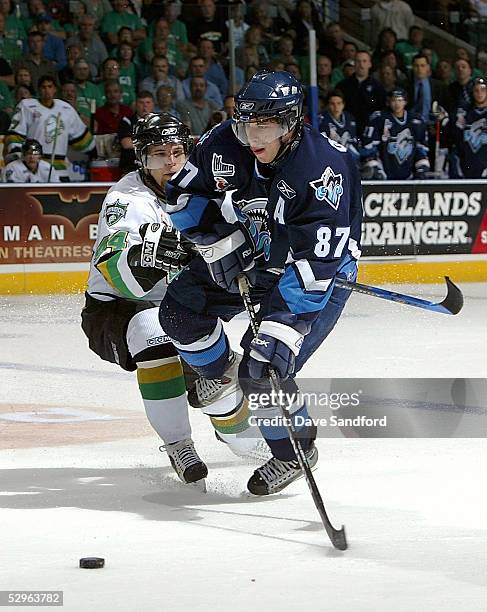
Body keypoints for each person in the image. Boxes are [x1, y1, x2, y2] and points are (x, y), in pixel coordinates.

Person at [159, 71, 363, 495]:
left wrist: (279, 330)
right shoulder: (225, 142)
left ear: (290, 122)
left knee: (265, 369)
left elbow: (315, 266)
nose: (253, 135)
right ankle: (219, 370)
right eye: (247, 123)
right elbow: (181, 194)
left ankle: (294, 451)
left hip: (313, 272)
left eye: (265, 125)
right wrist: (219, 243)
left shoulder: (321, 170)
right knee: (179, 313)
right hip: (253, 250)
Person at [81, 112, 266, 485]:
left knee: (215, 375)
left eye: (178, 151)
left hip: (182, 306)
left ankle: (243, 439)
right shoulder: (127, 198)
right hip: (117, 311)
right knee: (154, 330)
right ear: (142, 159)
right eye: (158, 154)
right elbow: (119, 276)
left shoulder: (204, 187)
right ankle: (178, 442)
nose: (170, 162)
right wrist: (146, 258)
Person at [5, 75, 95, 179]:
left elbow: (81, 137)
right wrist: (17, 154)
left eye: (50, 86)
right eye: (43, 87)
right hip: (34, 166)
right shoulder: (26, 106)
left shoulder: (66, 108)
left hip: (60, 168)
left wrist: (92, 150)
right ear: (39, 90)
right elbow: (16, 134)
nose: (47, 90)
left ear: (55, 89)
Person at [362, 88, 430, 179]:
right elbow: (369, 147)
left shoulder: (416, 120)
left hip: (409, 175)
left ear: (405, 102)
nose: (397, 104)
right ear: (389, 102)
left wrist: (421, 167)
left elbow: (421, 148)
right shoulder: (379, 119)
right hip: (385, 174)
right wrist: (375, 167)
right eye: (394, 100)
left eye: (400, 100)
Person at [336, 50, 386, 136]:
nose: (361, 65)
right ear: (354, 63)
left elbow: (382, 110)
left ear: (370, 64)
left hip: (370, 131)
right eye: (358, 61)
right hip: (346, 129)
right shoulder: (343, 86)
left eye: (364, 61)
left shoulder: (378, 87)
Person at [450, 77, 487, 178]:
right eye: (476, 90)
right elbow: (456, 140)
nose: (480, 93)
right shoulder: (463, 113)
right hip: (467, 167)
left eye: (483, 90)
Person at [319, 90, 360, 163]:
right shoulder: (321, 120)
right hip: (331, 158)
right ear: (328, 105)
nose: (336, 107)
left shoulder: (349, 118)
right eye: (332, 104)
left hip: (349, 157)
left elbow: (354, 142)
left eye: (339, 103)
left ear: (343, 104)